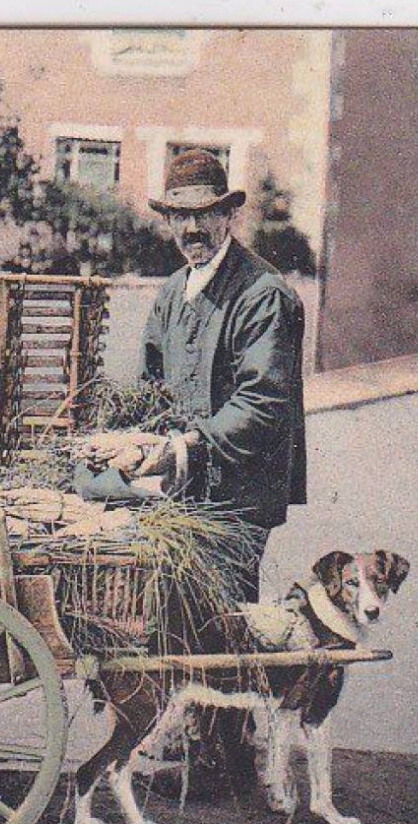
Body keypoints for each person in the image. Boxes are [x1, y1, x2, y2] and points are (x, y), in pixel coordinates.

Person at [115, 148, 307, 604]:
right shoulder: (171, 292)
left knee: (223, 621)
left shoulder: (262, 295)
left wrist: (185, 444)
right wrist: (133, 439)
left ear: (228, 216)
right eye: (179, 216)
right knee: (175, 617)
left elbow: (262, 401)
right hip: (184, 489)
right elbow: (150, 386)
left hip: (240, 493)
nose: (191, 229)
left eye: (204, 214)